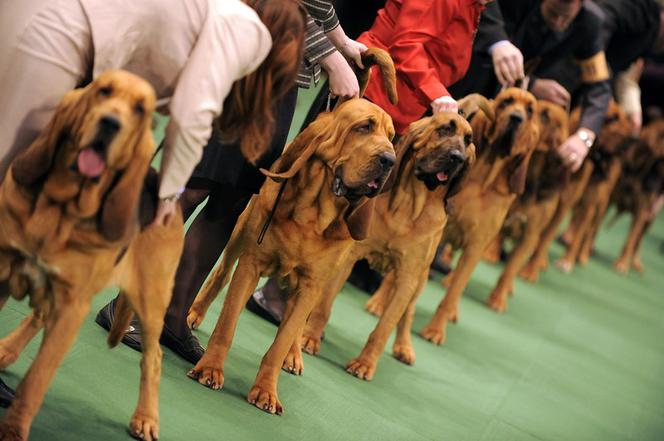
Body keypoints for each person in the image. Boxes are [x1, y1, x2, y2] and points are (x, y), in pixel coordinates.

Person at [0, 0, 306, 402]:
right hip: (59, 30)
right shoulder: (249, 31)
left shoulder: (219, 19)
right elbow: (192, 112)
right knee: (9, 192)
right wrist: (167, 198)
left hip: (62, 29)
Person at [95, 0, 370, 363]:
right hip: (244, 52)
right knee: (193, 188)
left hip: (282, 72)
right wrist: (332, 58)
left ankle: (174, 316)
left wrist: (342, 40)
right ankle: (125, 307)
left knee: (232, 199)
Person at [247, 0, 496, 325]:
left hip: (397, 113)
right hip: (368, 98)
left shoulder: (476, 8)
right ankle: (275, 293)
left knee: (342, 217)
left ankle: (298, 304)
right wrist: (436, 94)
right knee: (312, 202)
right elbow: (406, 45)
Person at [450, 0, 613, 172]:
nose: (557, 22)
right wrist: (498, 42)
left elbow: (599, 86)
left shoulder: (589, 22)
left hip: (514, 94)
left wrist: (584, 136)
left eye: (566, 18)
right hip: (471, 71)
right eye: (552, 13)